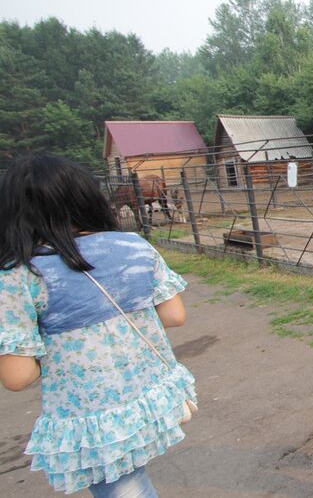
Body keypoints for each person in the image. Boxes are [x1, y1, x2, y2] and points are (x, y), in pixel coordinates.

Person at [0, 154, 196, 497]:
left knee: (124, 487)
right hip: (148, 394)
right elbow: (174, 316)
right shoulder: (133, 245)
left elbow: (18, 376)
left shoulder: (20, 274)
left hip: (92, 416)